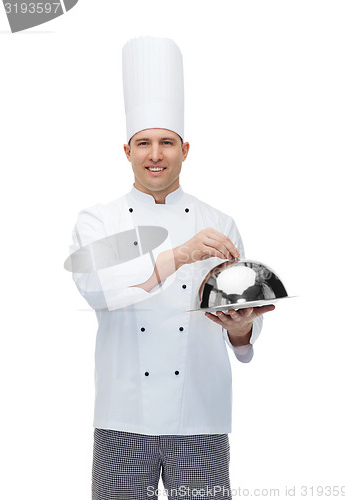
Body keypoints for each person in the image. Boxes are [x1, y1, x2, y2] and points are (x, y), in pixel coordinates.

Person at [68, 36, 275, 500]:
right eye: (144, 143)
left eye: (167, 142)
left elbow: (238, 324)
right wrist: (179, 255)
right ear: (127, 151)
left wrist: (241, 330)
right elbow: (98, 289)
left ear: (186, 148)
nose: (155, 154)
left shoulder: (219, 223)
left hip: (200, 417)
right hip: (121, 419)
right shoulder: (98, 220)